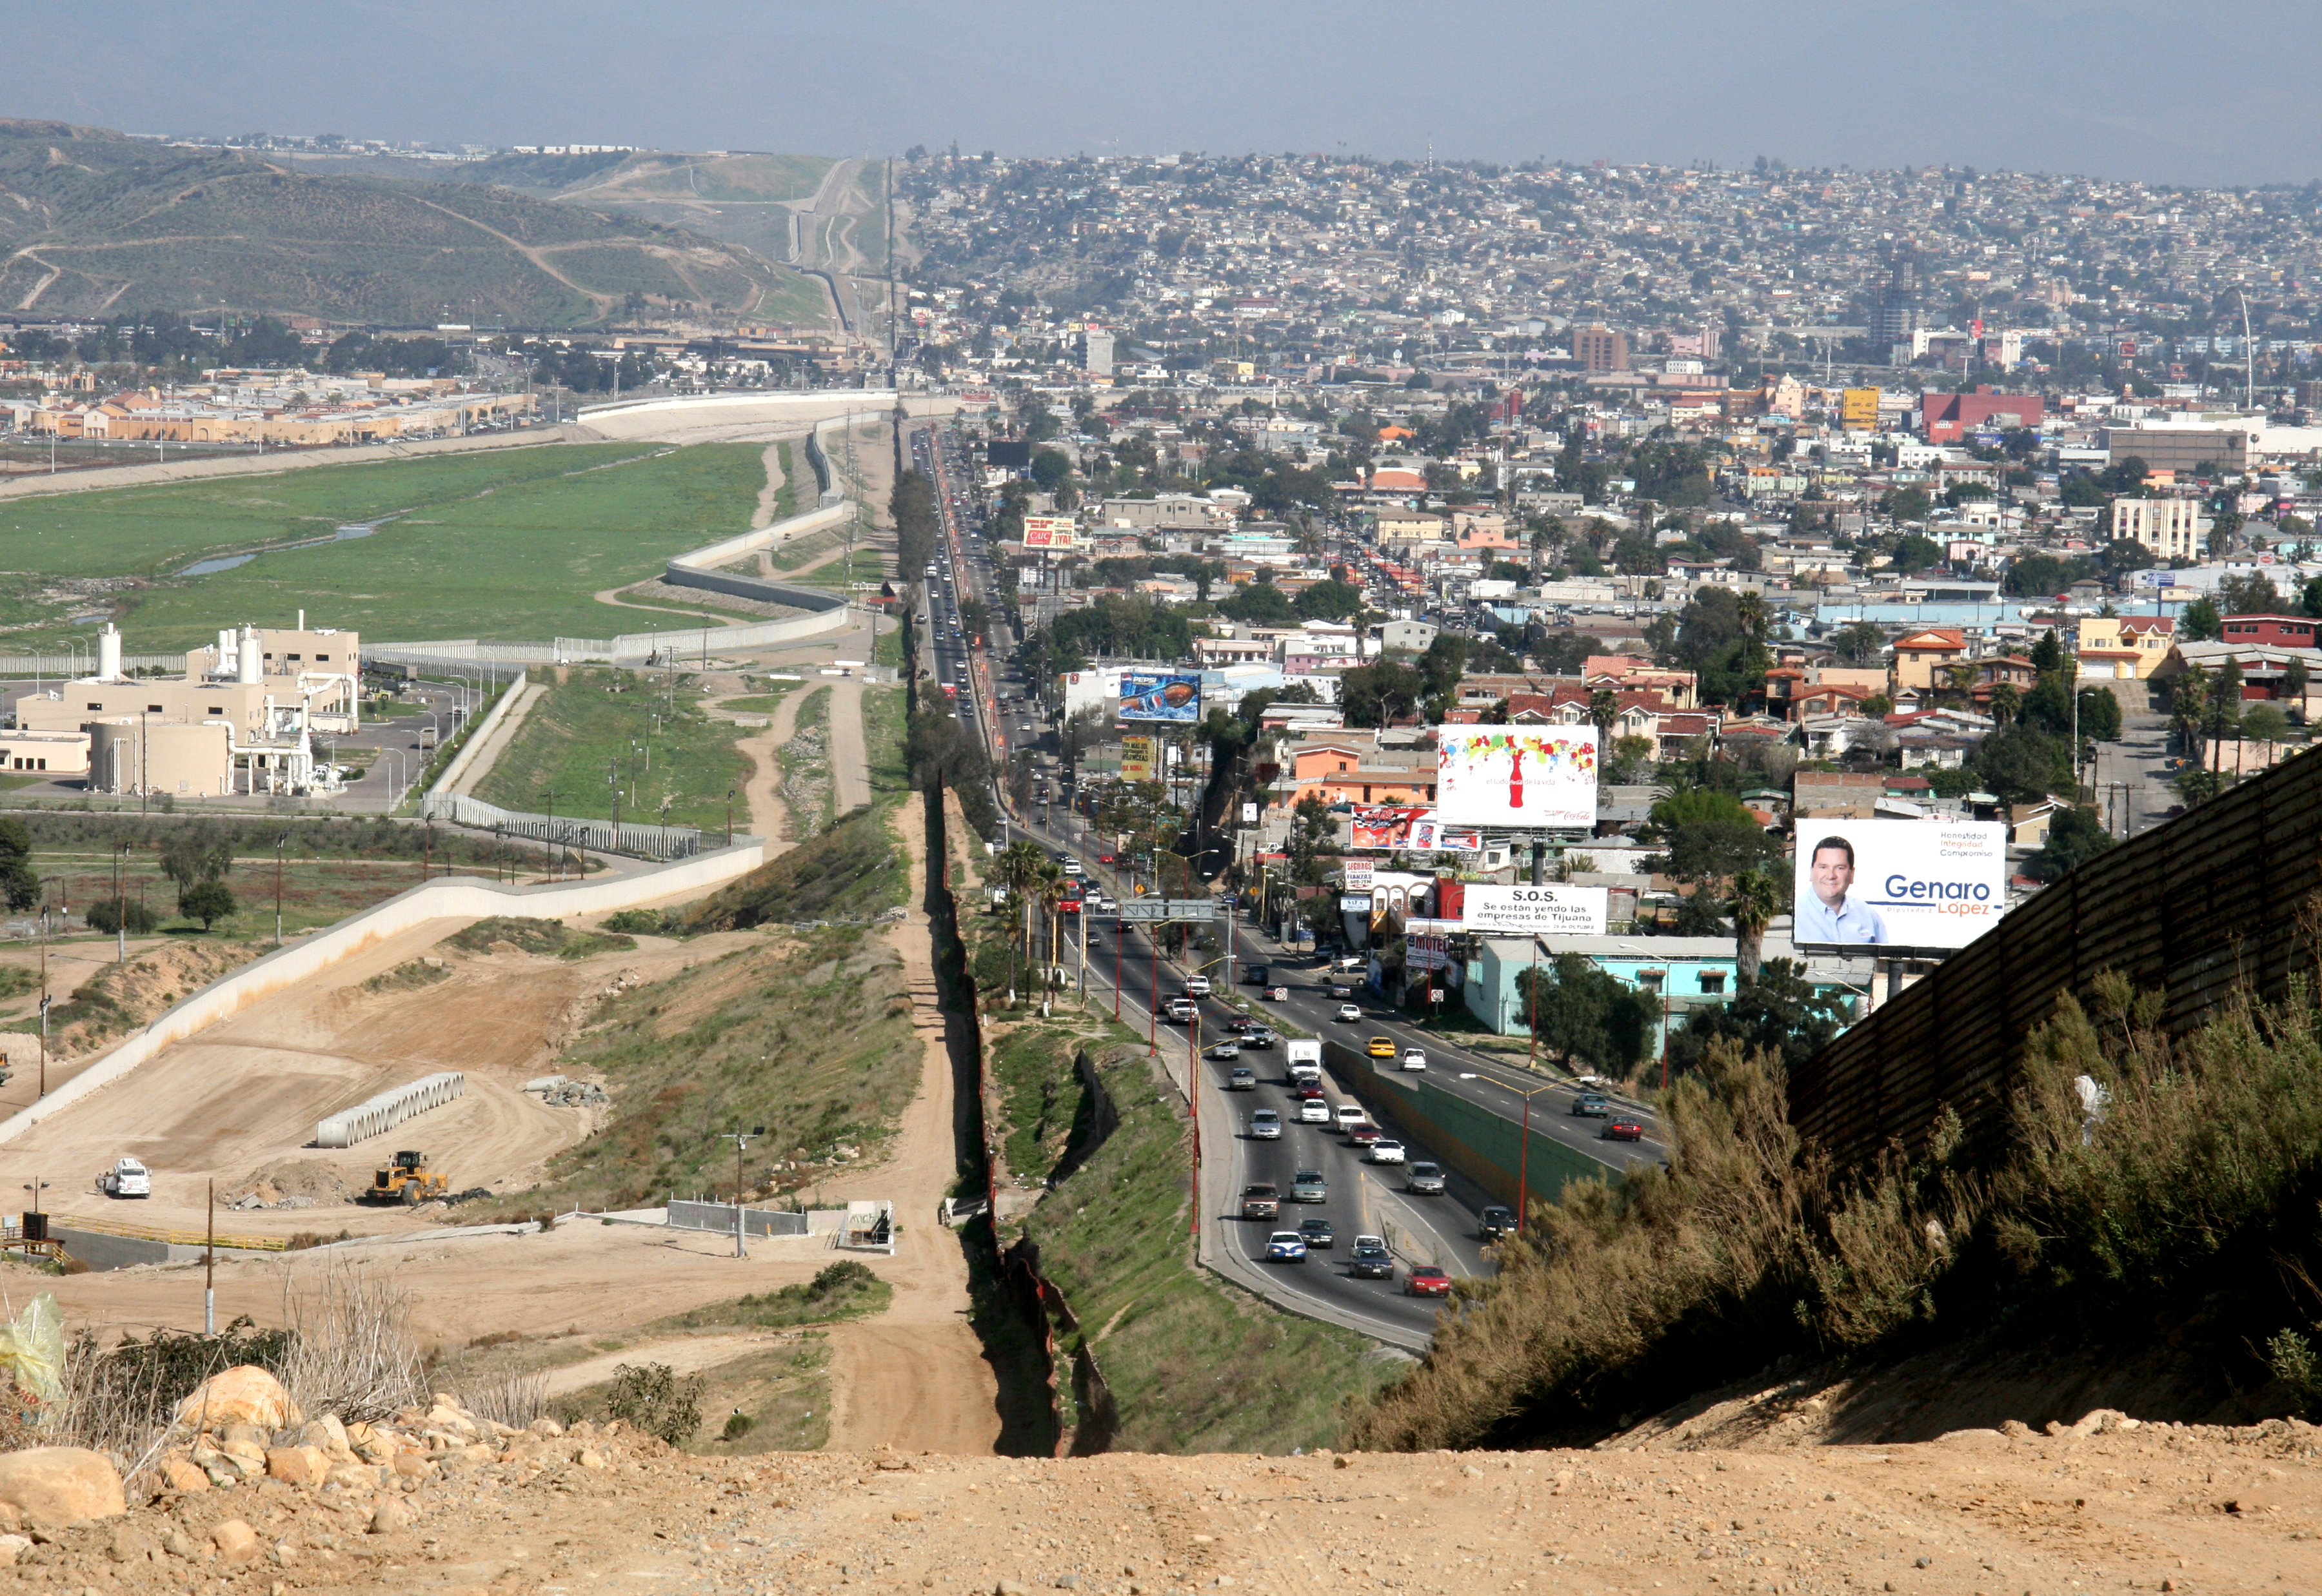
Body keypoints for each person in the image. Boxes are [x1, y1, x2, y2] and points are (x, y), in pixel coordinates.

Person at [1798, 834, 1887, 945]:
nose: (1831, 876)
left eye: (1840, 868)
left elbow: (1883, 961)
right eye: (1823, 867)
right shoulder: (1795, 913)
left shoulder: (1868, 915)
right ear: (1811, 872)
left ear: (1851, 874)